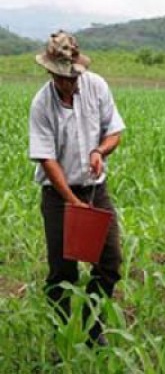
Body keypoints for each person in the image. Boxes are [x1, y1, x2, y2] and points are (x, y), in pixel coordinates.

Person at [28, 30, 125, 347]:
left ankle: (92, 327)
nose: (68, 82)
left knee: (109, 262)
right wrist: (72, 203)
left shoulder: (96, 86)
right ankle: (63, 338)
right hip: (58, 197)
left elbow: (114, 131)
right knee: (63, 273)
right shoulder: (41, 103)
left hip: (96, 190)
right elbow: (46, 158)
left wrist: (100, 151)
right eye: (61, 77)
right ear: (50, 71)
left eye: (71, 76)